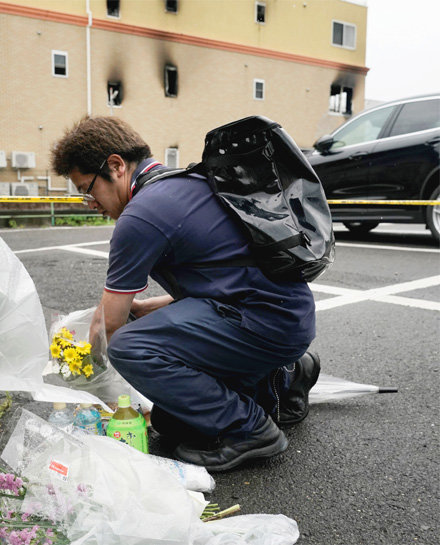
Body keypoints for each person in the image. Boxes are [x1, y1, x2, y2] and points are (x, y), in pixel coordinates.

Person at [51, 116, 320, 472]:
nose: (90, 202)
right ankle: (285, 377)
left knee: (130, 347)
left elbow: (110, 326)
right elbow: (225, 275)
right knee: (172, 422)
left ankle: (250, 430)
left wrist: (105, 387)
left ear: (115, 166)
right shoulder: (191, 180)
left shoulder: (139, 216)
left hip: (263, 323)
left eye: (88, 189)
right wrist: (151, 309)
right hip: (284, 315)